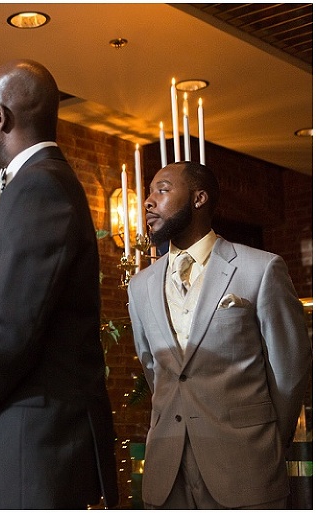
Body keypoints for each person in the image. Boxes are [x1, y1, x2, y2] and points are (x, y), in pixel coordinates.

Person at [0, 59, 119, 509]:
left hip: (30, 447)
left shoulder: (40, 188)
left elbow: (12, 329)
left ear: (0, 117)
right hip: (22, 443)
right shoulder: (35, 186)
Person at [127, 161, 311, 509]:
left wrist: (268, 441)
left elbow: (290, 370)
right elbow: (155, 369)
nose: (149, 201)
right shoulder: (140, 287)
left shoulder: (260, 269)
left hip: (245, 466)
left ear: (199, 198)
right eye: (149, 192)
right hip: (167, 473)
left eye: (162, 190)